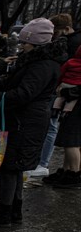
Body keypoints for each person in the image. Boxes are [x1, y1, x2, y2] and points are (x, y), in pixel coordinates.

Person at [0, 18, 61, 227]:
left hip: (24, 123)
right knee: (14, 168)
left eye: (25, 42)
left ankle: (3, 214)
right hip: (23, 121)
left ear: (36, 42)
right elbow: (11, 83)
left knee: (8, 167)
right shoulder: (35, 61)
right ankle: (13, 212)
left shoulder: (42, 65)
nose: (22, 45)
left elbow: (23, 93)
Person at [34, 13, 75, 177]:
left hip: (62, 91)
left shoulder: (69, 44)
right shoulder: (71, 42)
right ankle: (60, 167)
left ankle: (43, 163)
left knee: (52, 126)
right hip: (63, 90)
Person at [46, 43, 81, 188]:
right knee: (72, 141)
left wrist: (65, 91)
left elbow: (59, 77)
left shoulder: (71, 63)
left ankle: (73, 174)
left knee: (71, 141)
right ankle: (67, 171)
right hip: (75, 104)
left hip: (75, 105)